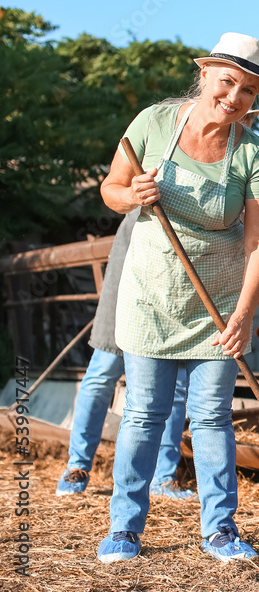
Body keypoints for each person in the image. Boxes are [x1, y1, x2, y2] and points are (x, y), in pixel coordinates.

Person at [97, 32, 259, 564]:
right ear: (205, 75)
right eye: (228, 81)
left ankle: (220, 531)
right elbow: (112, 187)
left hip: (219, 304)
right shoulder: (154, 124)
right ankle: (125, 529)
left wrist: (245, 314)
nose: (235, 96)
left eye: (249, 90)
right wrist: (131, 194)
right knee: (142, 416)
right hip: (151, 294)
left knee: (211, 417)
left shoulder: (252, 151)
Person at [56, 209, 195, 500]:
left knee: (176, 388)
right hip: (125, 293)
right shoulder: (140, 199)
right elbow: (116, 189)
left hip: (173, 302)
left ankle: (163, 477)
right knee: (102, 373)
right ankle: (77, 467)